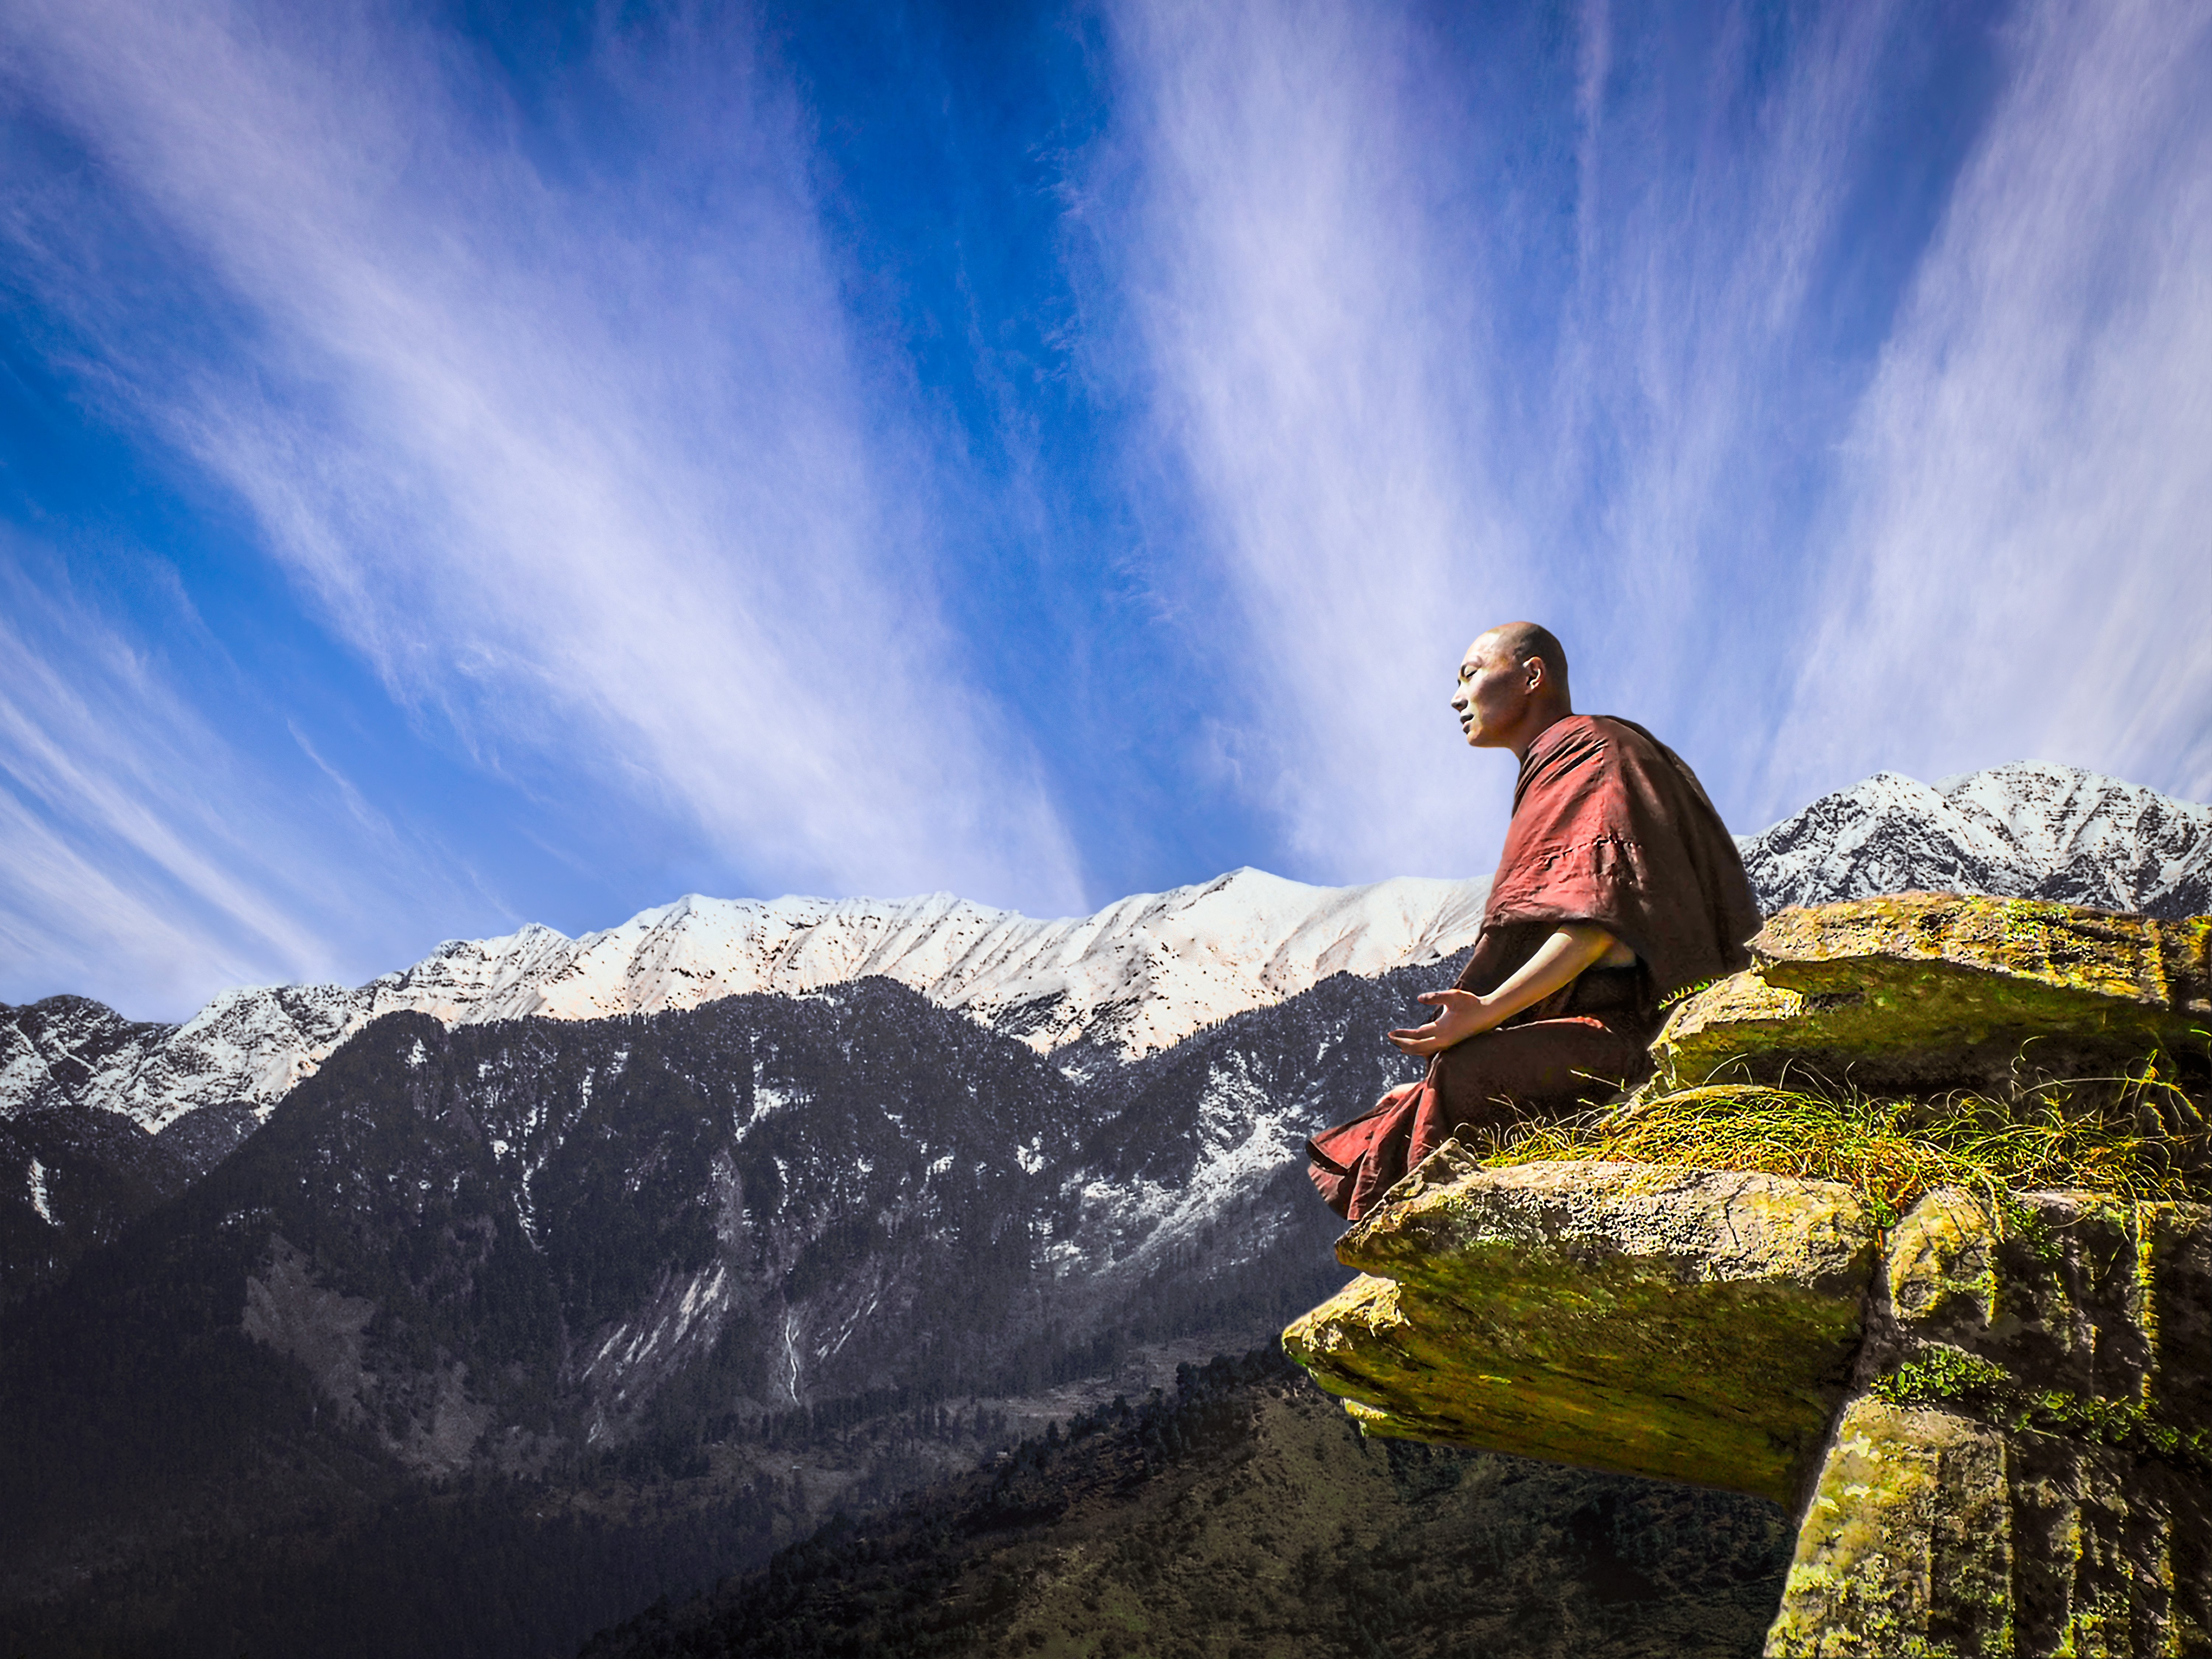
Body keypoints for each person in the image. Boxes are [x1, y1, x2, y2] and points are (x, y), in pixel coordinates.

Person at [1306, 622, 1760, 1223]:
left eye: (1470, 674)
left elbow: (1599, 921)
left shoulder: (1594, 750)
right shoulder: (1557, 765)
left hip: (1639, 1032)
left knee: (1463, 1075)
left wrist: (1489, 1011)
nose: (1455, 697)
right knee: (1400, 1109)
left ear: (1532, 676)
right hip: (1593, 1025)